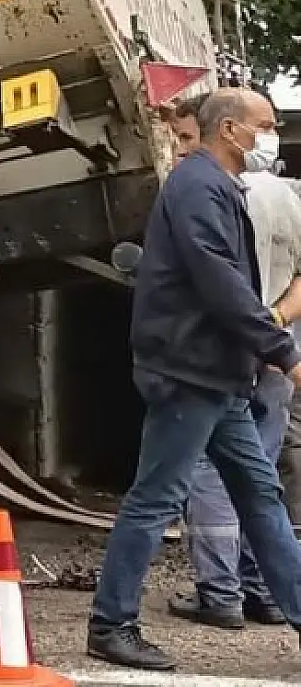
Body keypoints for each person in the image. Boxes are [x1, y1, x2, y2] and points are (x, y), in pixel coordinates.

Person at [87, 87, 301, 671]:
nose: (270, 133)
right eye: (265, 123)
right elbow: (221, 283)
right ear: (230, 129)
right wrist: (283, 351)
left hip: (217, 374)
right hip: (188, 373)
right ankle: (111, 625)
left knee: (262, 496)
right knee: (156, 499)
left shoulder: (217, 186)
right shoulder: (197, 187)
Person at [163, 93, 301, 630]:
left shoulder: (215, 190)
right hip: (274, 347)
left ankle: (220, 593)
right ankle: (264, 590)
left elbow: (213, 284)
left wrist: (261, 336)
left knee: (210, 474)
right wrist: (278, 328)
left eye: (184, 140)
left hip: (230, 354)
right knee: (261, 478)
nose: (180, 152)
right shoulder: (287, 197)